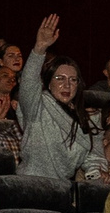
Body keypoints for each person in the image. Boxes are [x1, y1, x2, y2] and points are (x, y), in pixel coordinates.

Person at [14, 15, 98, 181]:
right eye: (60, 78)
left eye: (73, 80)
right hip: (30, 185)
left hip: (62, 191)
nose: (67, 85)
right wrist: (39, 49)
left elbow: (92, 155)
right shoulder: (38, 106)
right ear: (48, 83)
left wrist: (96, 170)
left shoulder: (87, 118)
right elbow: (29, 83)